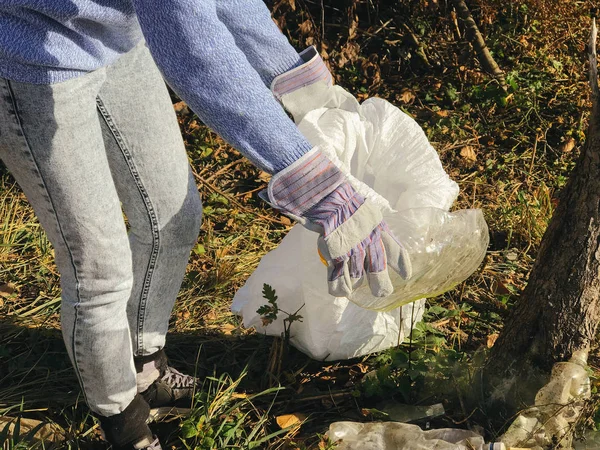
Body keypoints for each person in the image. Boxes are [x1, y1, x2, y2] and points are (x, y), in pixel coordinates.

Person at [0, 1, 411, 448]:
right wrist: (318, 186)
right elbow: (196, 51)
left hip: (117, 40)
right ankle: (122, 421)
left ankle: (144, 366)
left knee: (173, 221)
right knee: (99, 269)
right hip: (31, 58)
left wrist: (305, 87)